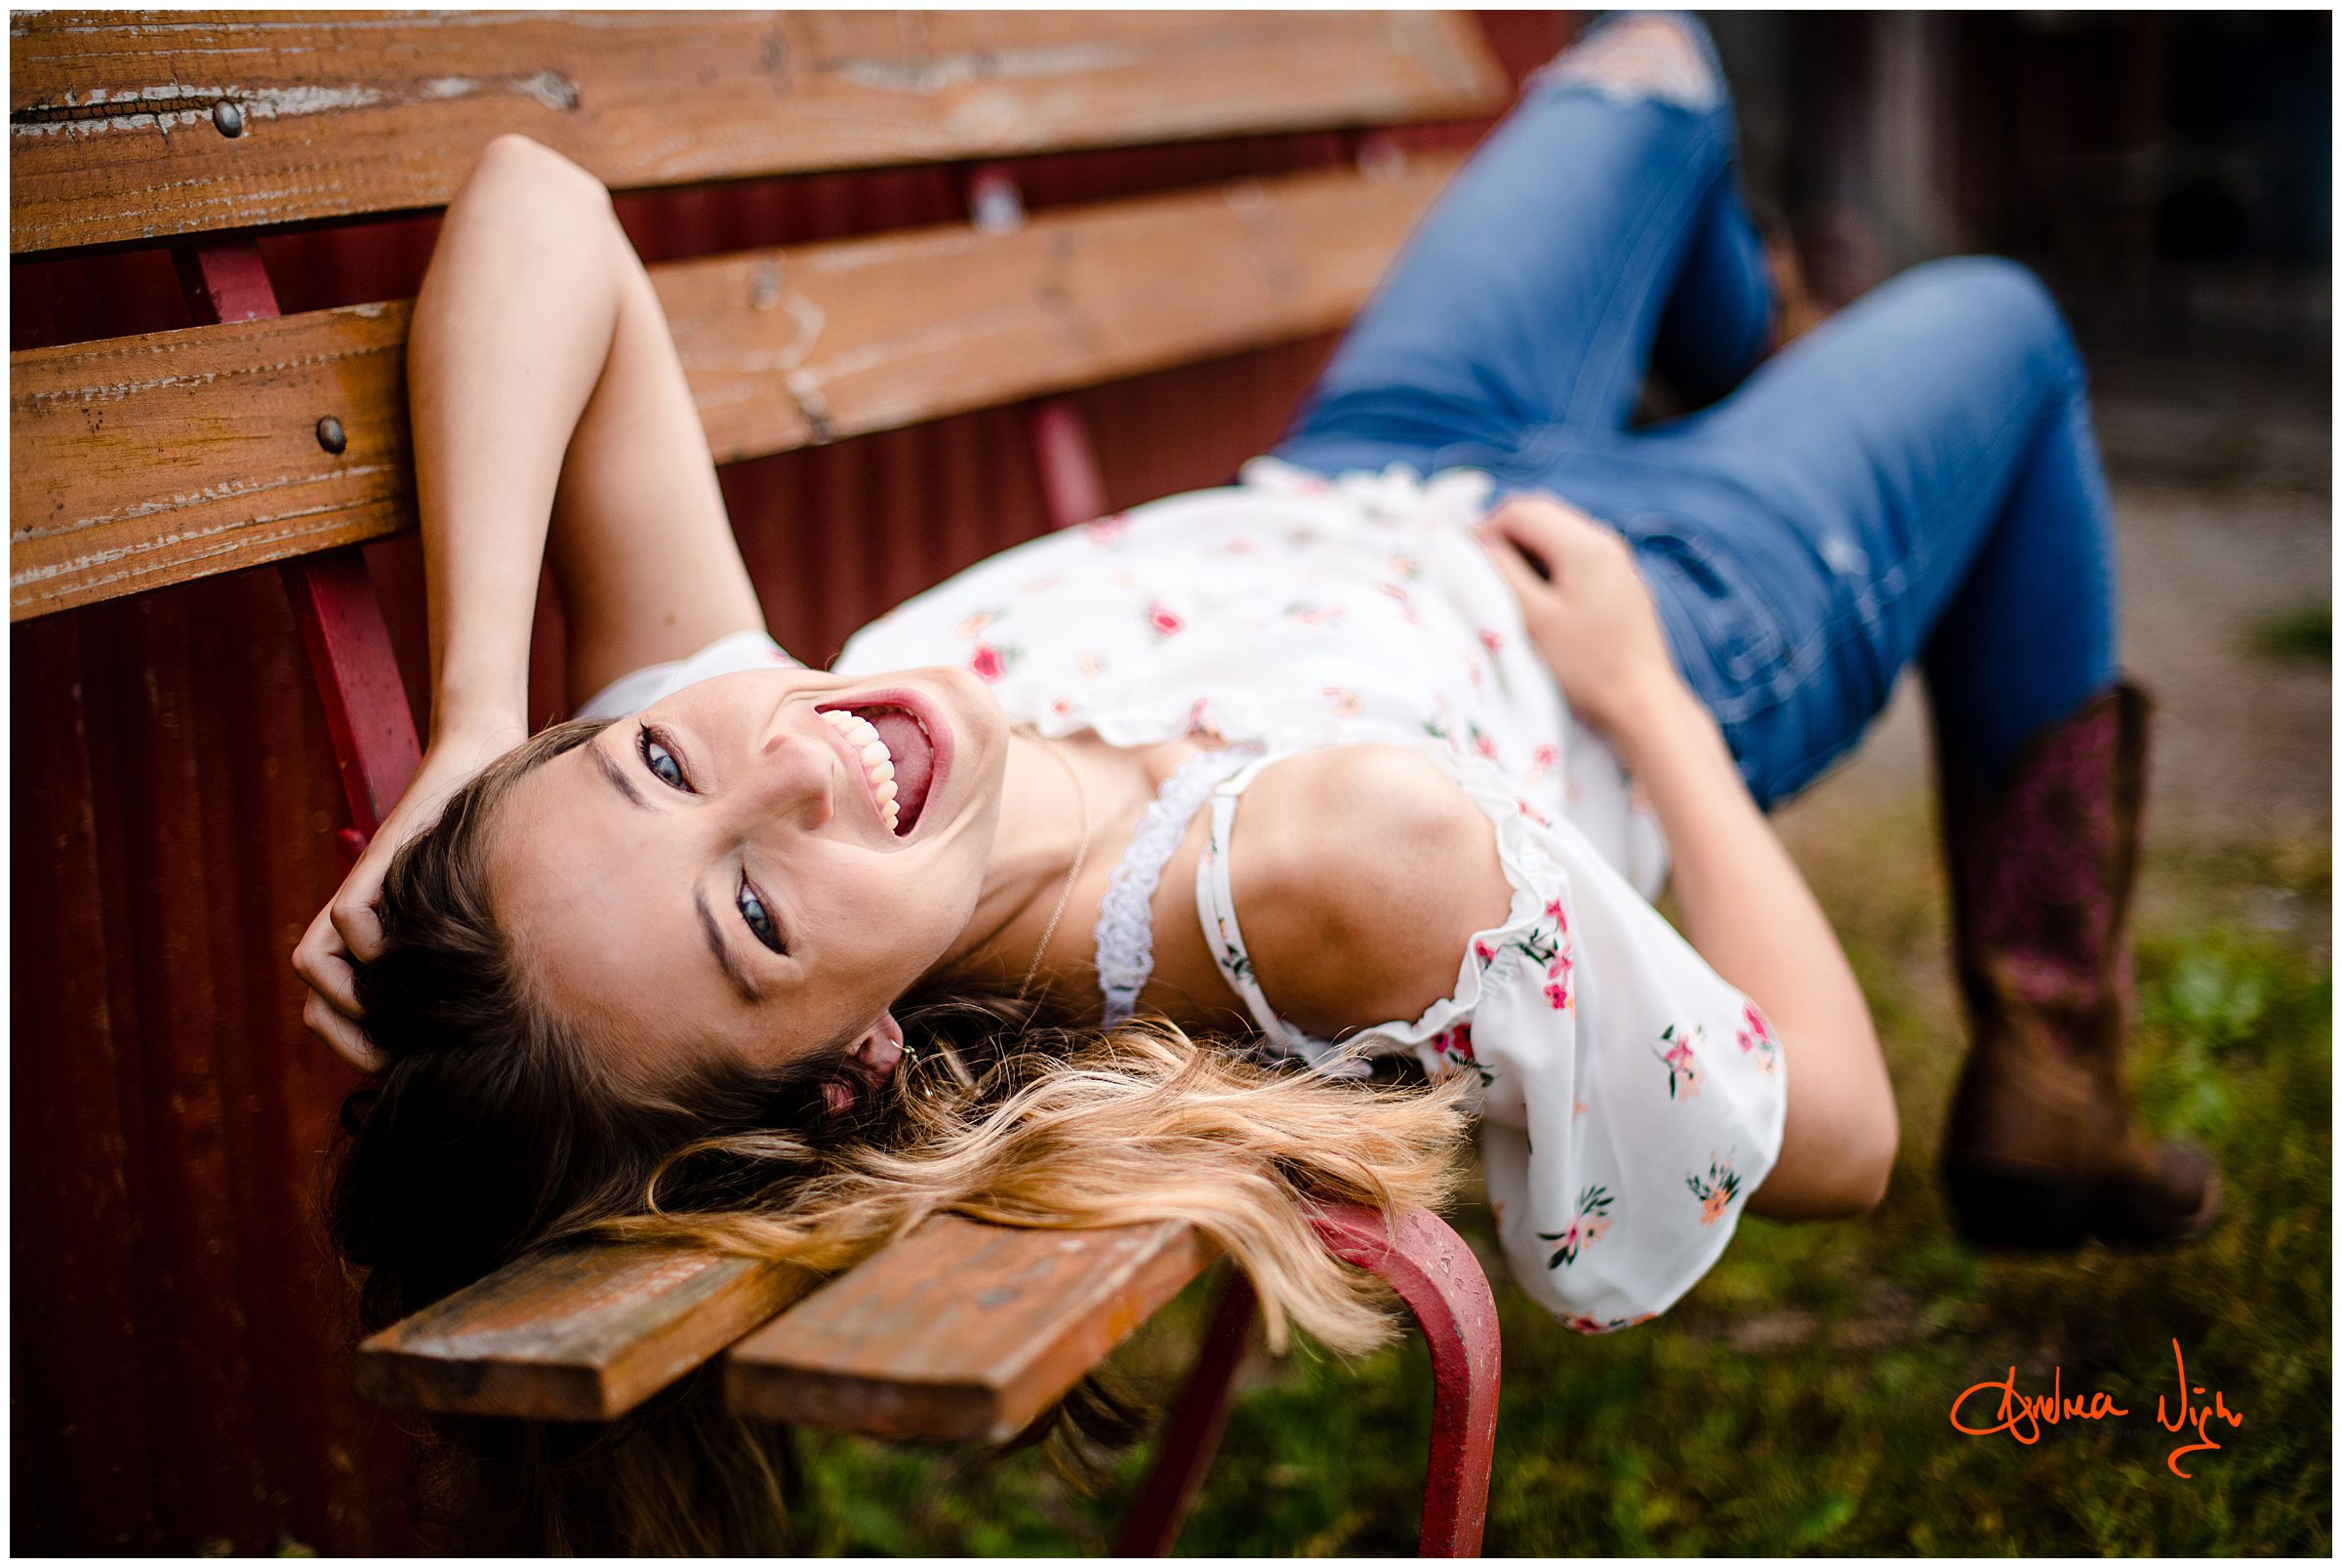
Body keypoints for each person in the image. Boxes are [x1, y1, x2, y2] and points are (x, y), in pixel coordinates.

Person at [295, 12, 2219, 1549]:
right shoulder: (1324, 869)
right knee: (2011, 333)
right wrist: (1656, 704)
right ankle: (2053, 1052)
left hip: (1373, 460)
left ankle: (1755, 375)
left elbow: (537, 203)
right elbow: (1834, 1137)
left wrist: (474, 740)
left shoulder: (757, 765)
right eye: (754, 908)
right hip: (1659, 611)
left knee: (1649, 58)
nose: (788, 765)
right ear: (847, 1063)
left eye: (641, 748)